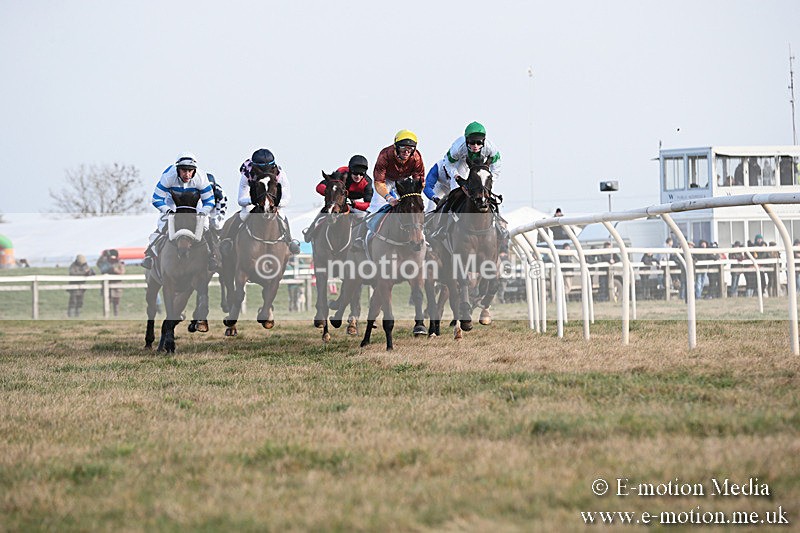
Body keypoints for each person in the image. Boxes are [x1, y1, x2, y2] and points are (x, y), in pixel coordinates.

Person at [434, 121, 507, 250]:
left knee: (488, 196)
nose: (475, 146)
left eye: (479, 143)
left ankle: (500, 226)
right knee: (454, 195)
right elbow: (448, 163)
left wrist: (488, 183)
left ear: (484, 141)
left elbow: (497, 167)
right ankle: (442, 228)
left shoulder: (491, 148)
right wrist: (458, 178)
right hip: (461, 165)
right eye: (472, 142)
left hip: (481, 168)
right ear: (466, 140)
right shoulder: (458, 147)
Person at [141, 152, 218, 270]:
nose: (187, 174)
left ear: (195, 170)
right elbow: (156, 199)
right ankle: (149, 255)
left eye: (190, 170)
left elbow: (209, 201)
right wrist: (168, 211)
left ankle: (212, 256)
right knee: (163, 226)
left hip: (194, 204)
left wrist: (202, 212)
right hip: (172, 202)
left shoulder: (201, 178)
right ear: (177, 169)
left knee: (205, 226)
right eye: (183, 170)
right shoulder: (168, 176)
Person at [223, 148, 301, 255]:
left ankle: (289, 241)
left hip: (273, 204)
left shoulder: (280, 175)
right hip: (253, 203)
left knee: (282, 216)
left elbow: (286, 198)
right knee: (243, 214)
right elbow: (240, 200)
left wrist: (274, 204)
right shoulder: (247, 175)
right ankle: (229, 240)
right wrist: (253, 200)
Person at [366, 130, 425, 232]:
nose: (406, 152)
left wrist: (415, 196)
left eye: (410, 148)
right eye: (403, 148)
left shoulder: (416, 157)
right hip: (386, 180)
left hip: (404, 180)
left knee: (415, 206)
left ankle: (422, 236)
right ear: (396, 147)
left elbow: (419, 181)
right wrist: (389, 198)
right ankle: (367, 234)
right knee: (376, 206)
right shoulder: (385, 155)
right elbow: (379, 182)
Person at [305, 155, 373, 242]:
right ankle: (311, 231)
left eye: (361, 174)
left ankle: (360, 239)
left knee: (365, 217)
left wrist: (354, 204)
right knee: (327, 210)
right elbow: (319, 187)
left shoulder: (367, 183)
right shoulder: (341, 173)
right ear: (350, 170)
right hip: (338, 201)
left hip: (356, 203)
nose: (358, 176)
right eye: (355, 173)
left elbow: (369, 205)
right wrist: (331, 193)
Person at [98, 249, 125, 316]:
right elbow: (99, 264)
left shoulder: (119, 263)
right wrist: (103, 255)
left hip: (117, 285)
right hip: (107, 284)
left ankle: (116, 316)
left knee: (116, 303)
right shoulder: (105, 263)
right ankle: (106, 316)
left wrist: (115, 270)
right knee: (107, 301)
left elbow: (122, 272)